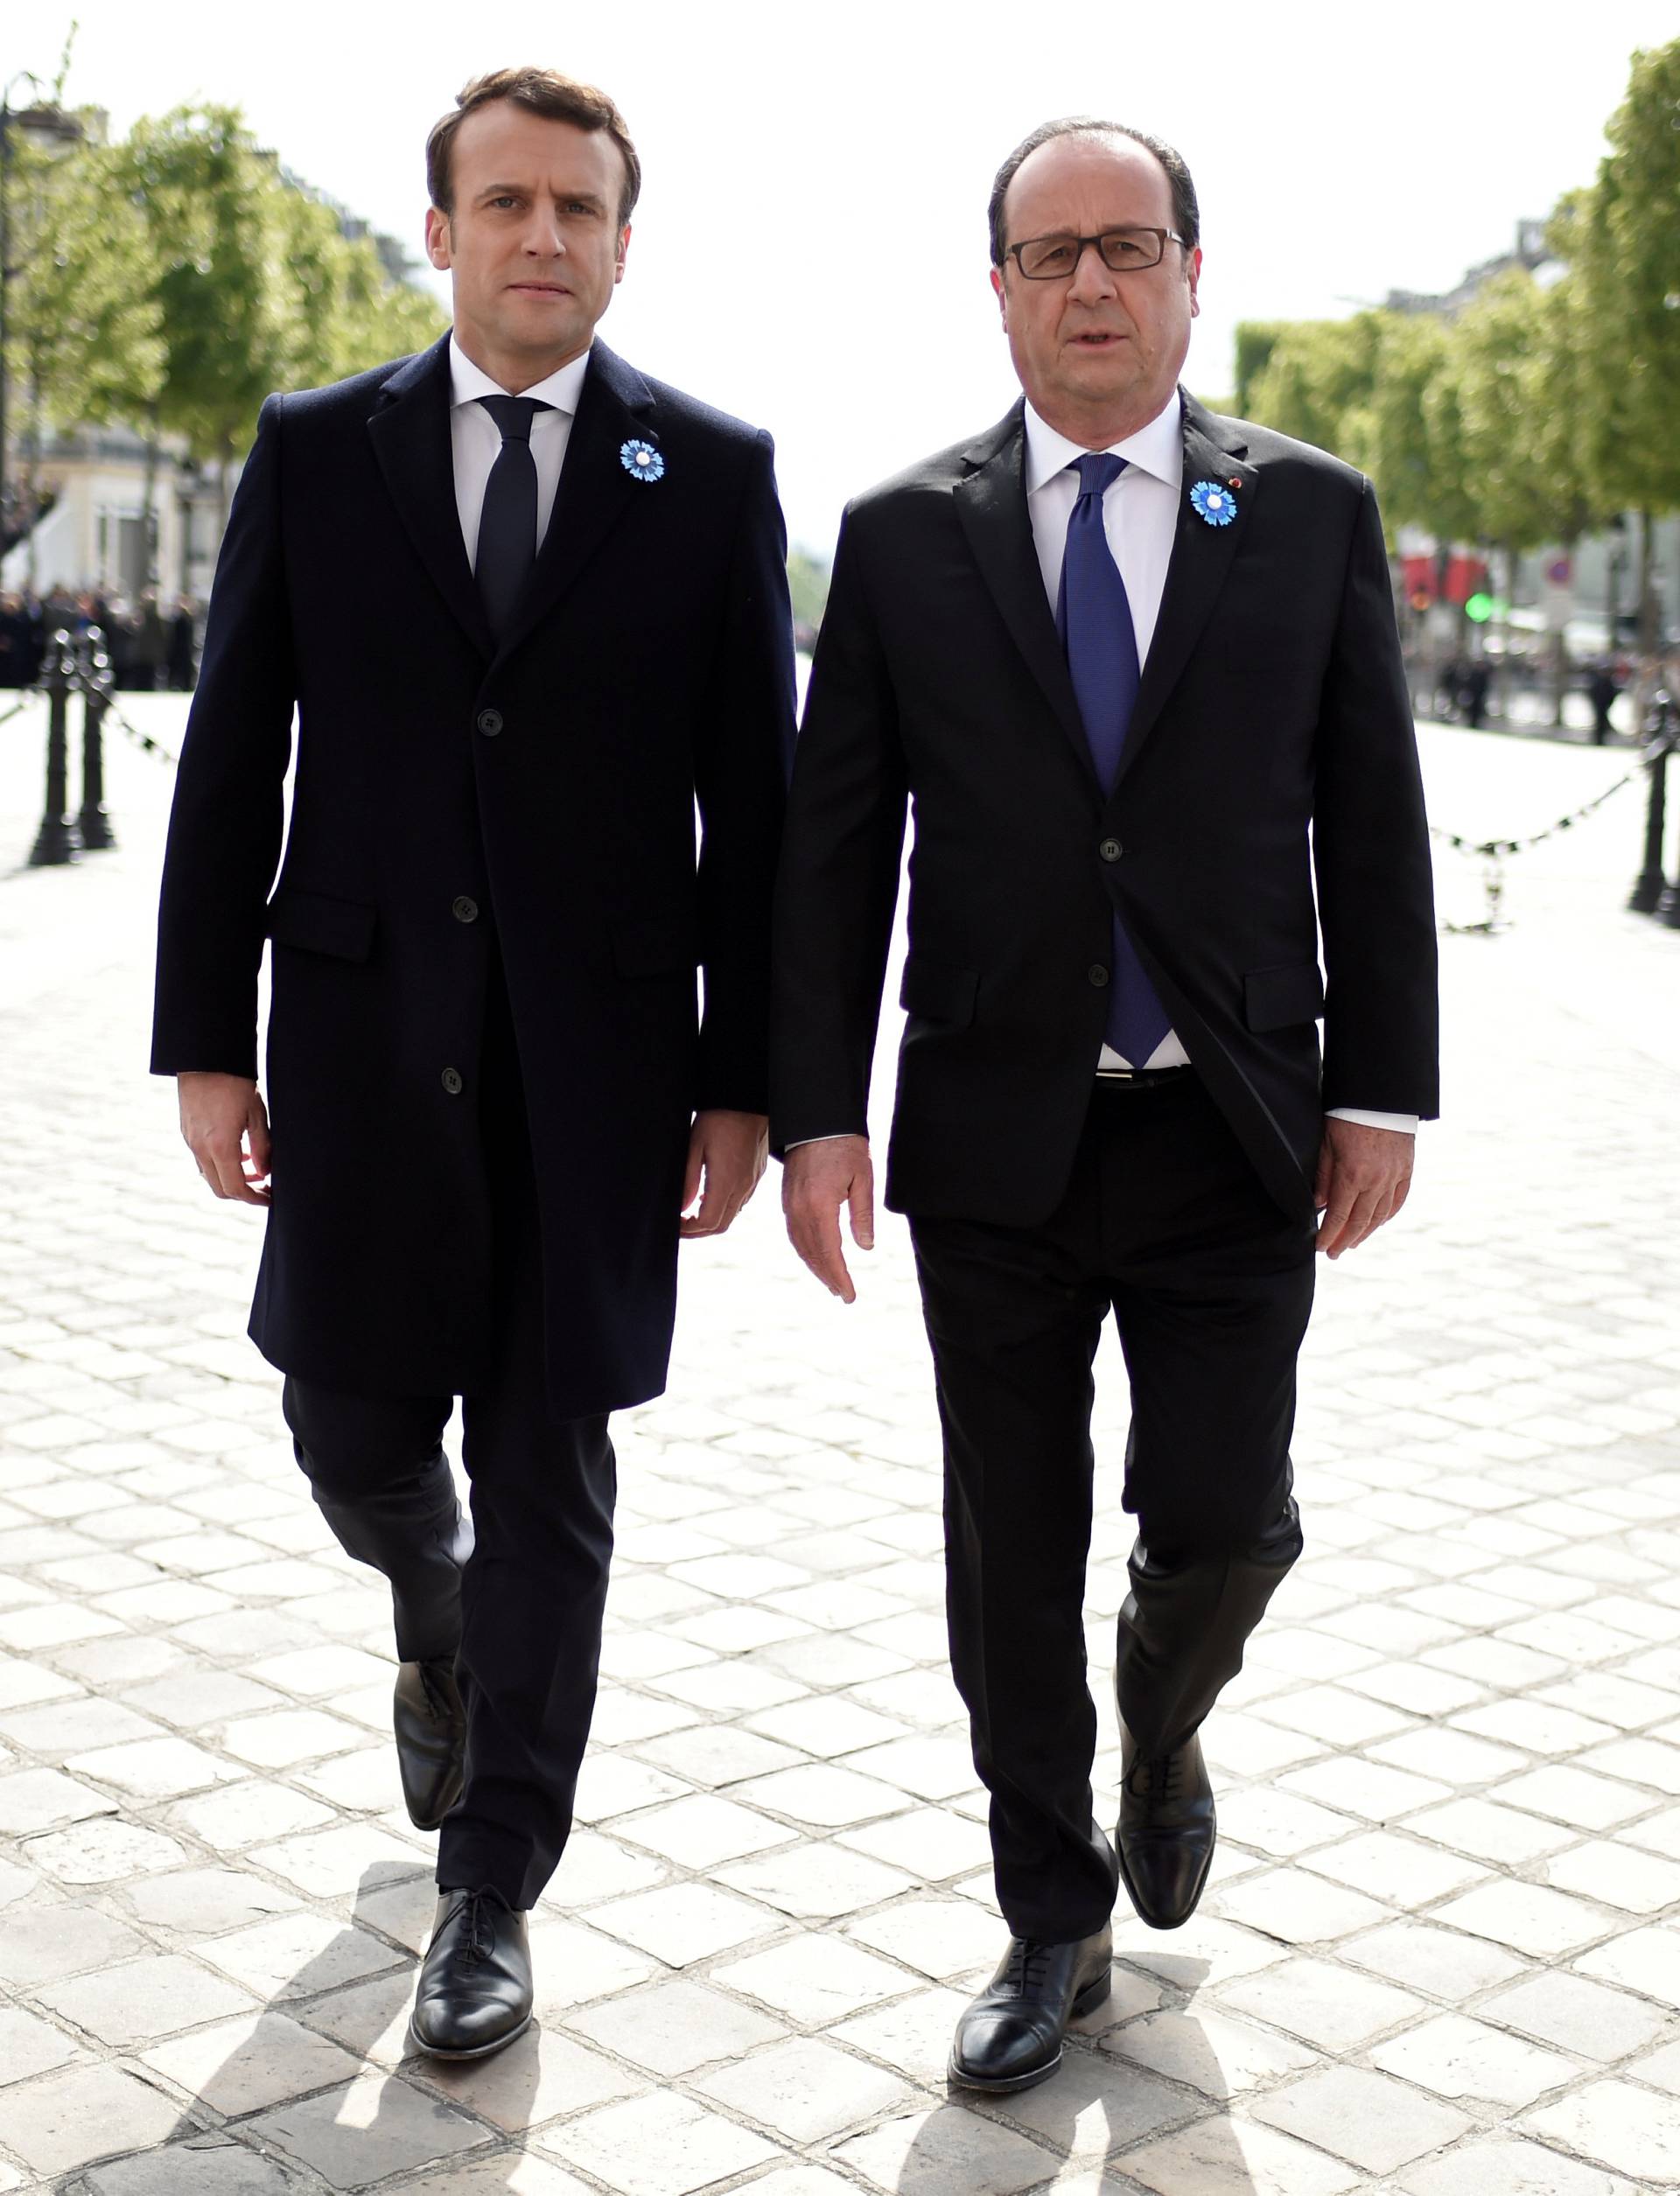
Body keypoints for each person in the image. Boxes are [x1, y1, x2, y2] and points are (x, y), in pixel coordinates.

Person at [772, 116, 1438, 2095]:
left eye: (1127, 247)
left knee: (1226, 1521)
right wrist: (818, 1114)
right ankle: (1048, 1915)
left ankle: (1164, 1713)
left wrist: (1384, 1085)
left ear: (1187, 272)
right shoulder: (905, 534)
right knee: (1008, 1539)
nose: (1090, 285)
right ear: (999, 288)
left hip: (1235, 1117)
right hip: (992, 1131)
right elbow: (833, 852)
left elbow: (1372, 821)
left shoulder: (1308, 512)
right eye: (1050, 254)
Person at [152, 66, 794, 2063]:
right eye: (504, 204)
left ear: (620, 235)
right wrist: (203, 1042)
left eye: (577, 209)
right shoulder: (314, 451)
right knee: (354, 1441)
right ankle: (427, 1600)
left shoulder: (708, 470)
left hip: (599, 1082)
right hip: (353, 1054)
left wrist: (748, 1080)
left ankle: (492, 1887)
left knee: (555, 1481)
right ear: (440, 233)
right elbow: (231, 751)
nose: (542, 238)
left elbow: (756, 811)